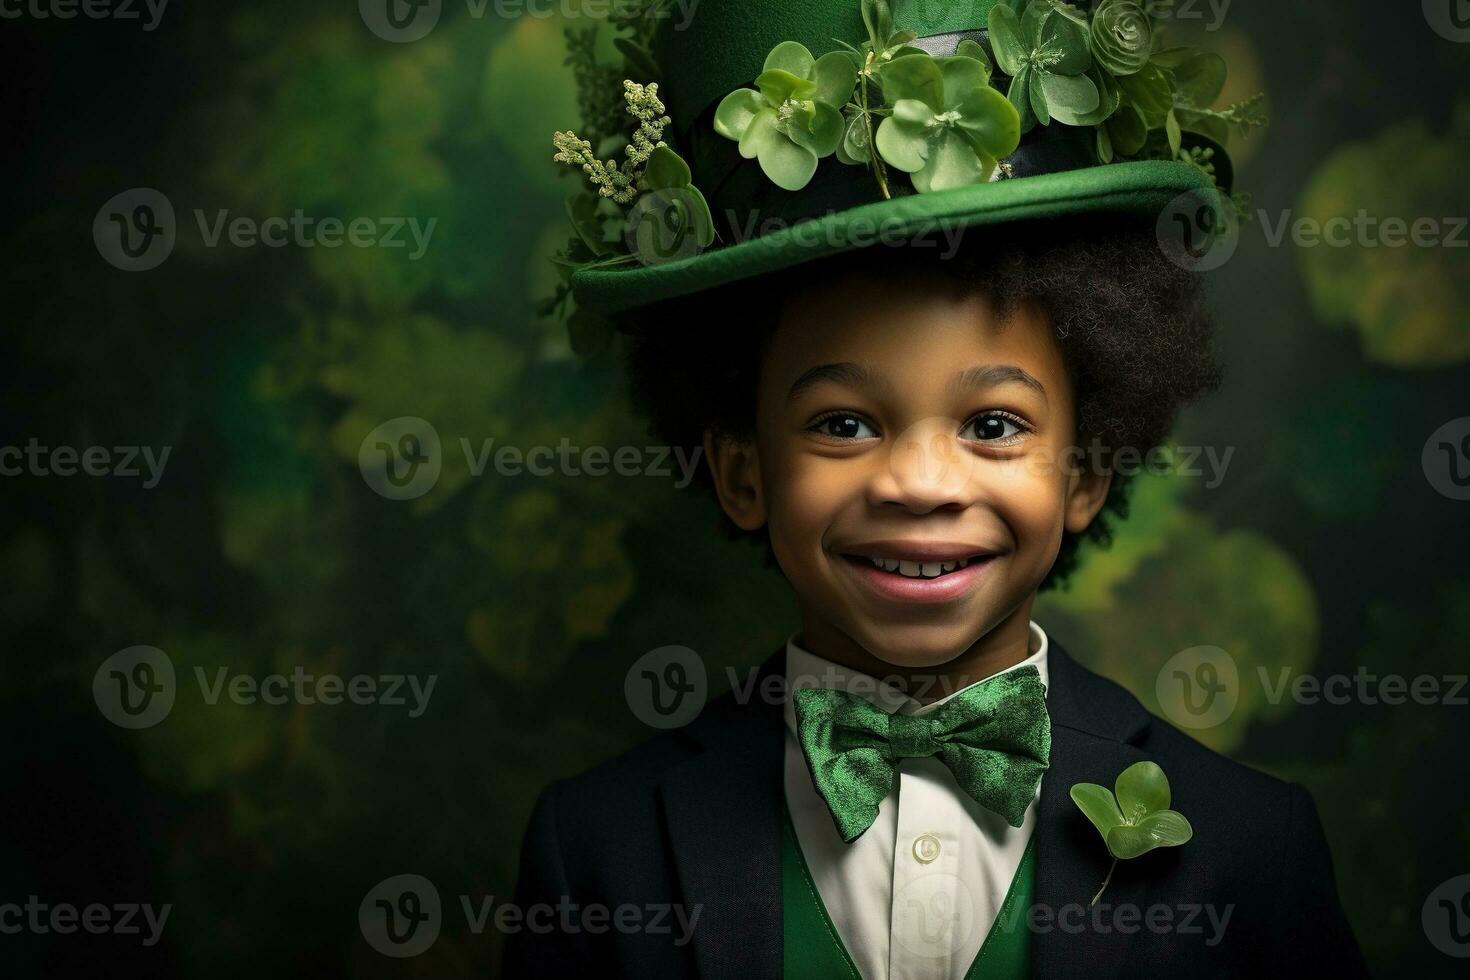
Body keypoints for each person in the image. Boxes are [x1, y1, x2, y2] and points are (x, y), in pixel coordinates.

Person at [508, 1, 1367, 976]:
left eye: (993, 425)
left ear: (1087, 469)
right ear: (744, 469)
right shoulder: (598, 850)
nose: (920, 483)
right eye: (844, 422)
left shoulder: (1250, 845)